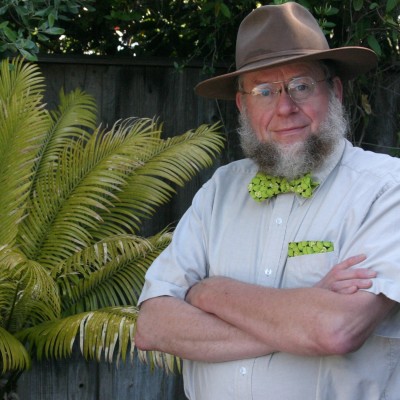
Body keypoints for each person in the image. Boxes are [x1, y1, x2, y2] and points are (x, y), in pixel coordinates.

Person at [135, 2, 400, 399]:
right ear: (243, 105)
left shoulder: (387, 188)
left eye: (301, 85)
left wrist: (209, 292)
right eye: (264, 91)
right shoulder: (220, 191)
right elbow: (153, 326)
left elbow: (336, 329)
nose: (284, 107)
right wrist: (299, 321)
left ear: (336, 90)